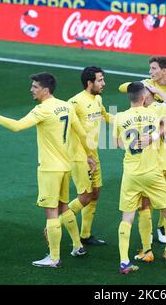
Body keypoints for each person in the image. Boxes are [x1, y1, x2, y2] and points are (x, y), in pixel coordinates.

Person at [0, 72, 95, 268]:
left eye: (35, 87)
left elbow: (16, 126)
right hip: (66, 166)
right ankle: (77, 245)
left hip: (49, 169)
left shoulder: (42, 110)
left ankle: (54, 258)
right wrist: (90, 155)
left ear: (45, 90)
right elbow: (82, 133)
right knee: (64, 207)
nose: (31, 89)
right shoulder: (66, 105)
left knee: (51, 213)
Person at [114, 82, 166, 274]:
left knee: (127, 217)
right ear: (144, 97)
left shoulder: (119, 117)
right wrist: (154, 136)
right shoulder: (154, 112)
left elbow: (117, 143)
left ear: (131, 98)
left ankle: (124, 262)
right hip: (153, 172)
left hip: (131, 174)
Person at [119, 56, 166, 244]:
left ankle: (162, 233)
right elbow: (124, 87)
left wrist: (155, 90)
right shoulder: (152, 103)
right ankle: (150, 240)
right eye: (149, 69)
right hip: (153, 157)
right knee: (149, 202)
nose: (150, 72)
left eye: (153, 68)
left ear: (164, 71)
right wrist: (143, 85)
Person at [66, 66, 113, 246]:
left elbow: (106, 116)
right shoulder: (74, 103)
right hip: (80, 156)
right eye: (100, 80)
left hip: (94, 154)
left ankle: (85, 235)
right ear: (89, 82)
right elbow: (65, 128)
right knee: (84, 197)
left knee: (95, 194)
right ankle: (54, 224)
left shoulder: (98, 99)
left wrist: (127, 121)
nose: (103, 83)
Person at [133, 84, 166, 263]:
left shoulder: (147, 111)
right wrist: (157, 90)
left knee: (144, 206)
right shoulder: (164, 107)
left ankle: (146, 248)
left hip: (154, 164)